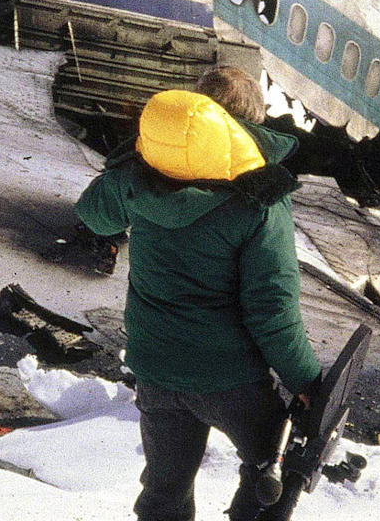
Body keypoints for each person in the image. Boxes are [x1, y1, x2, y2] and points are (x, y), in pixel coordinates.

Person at [75, 65, 321, 521]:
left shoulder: (146, 174)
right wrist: (305, 379)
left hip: (157, 371)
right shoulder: (259, 197)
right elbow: (272, 310)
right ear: (255, 120)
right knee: (276, 472)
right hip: (230, 380)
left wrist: (133, 160)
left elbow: (93, 215)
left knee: (165, 491)